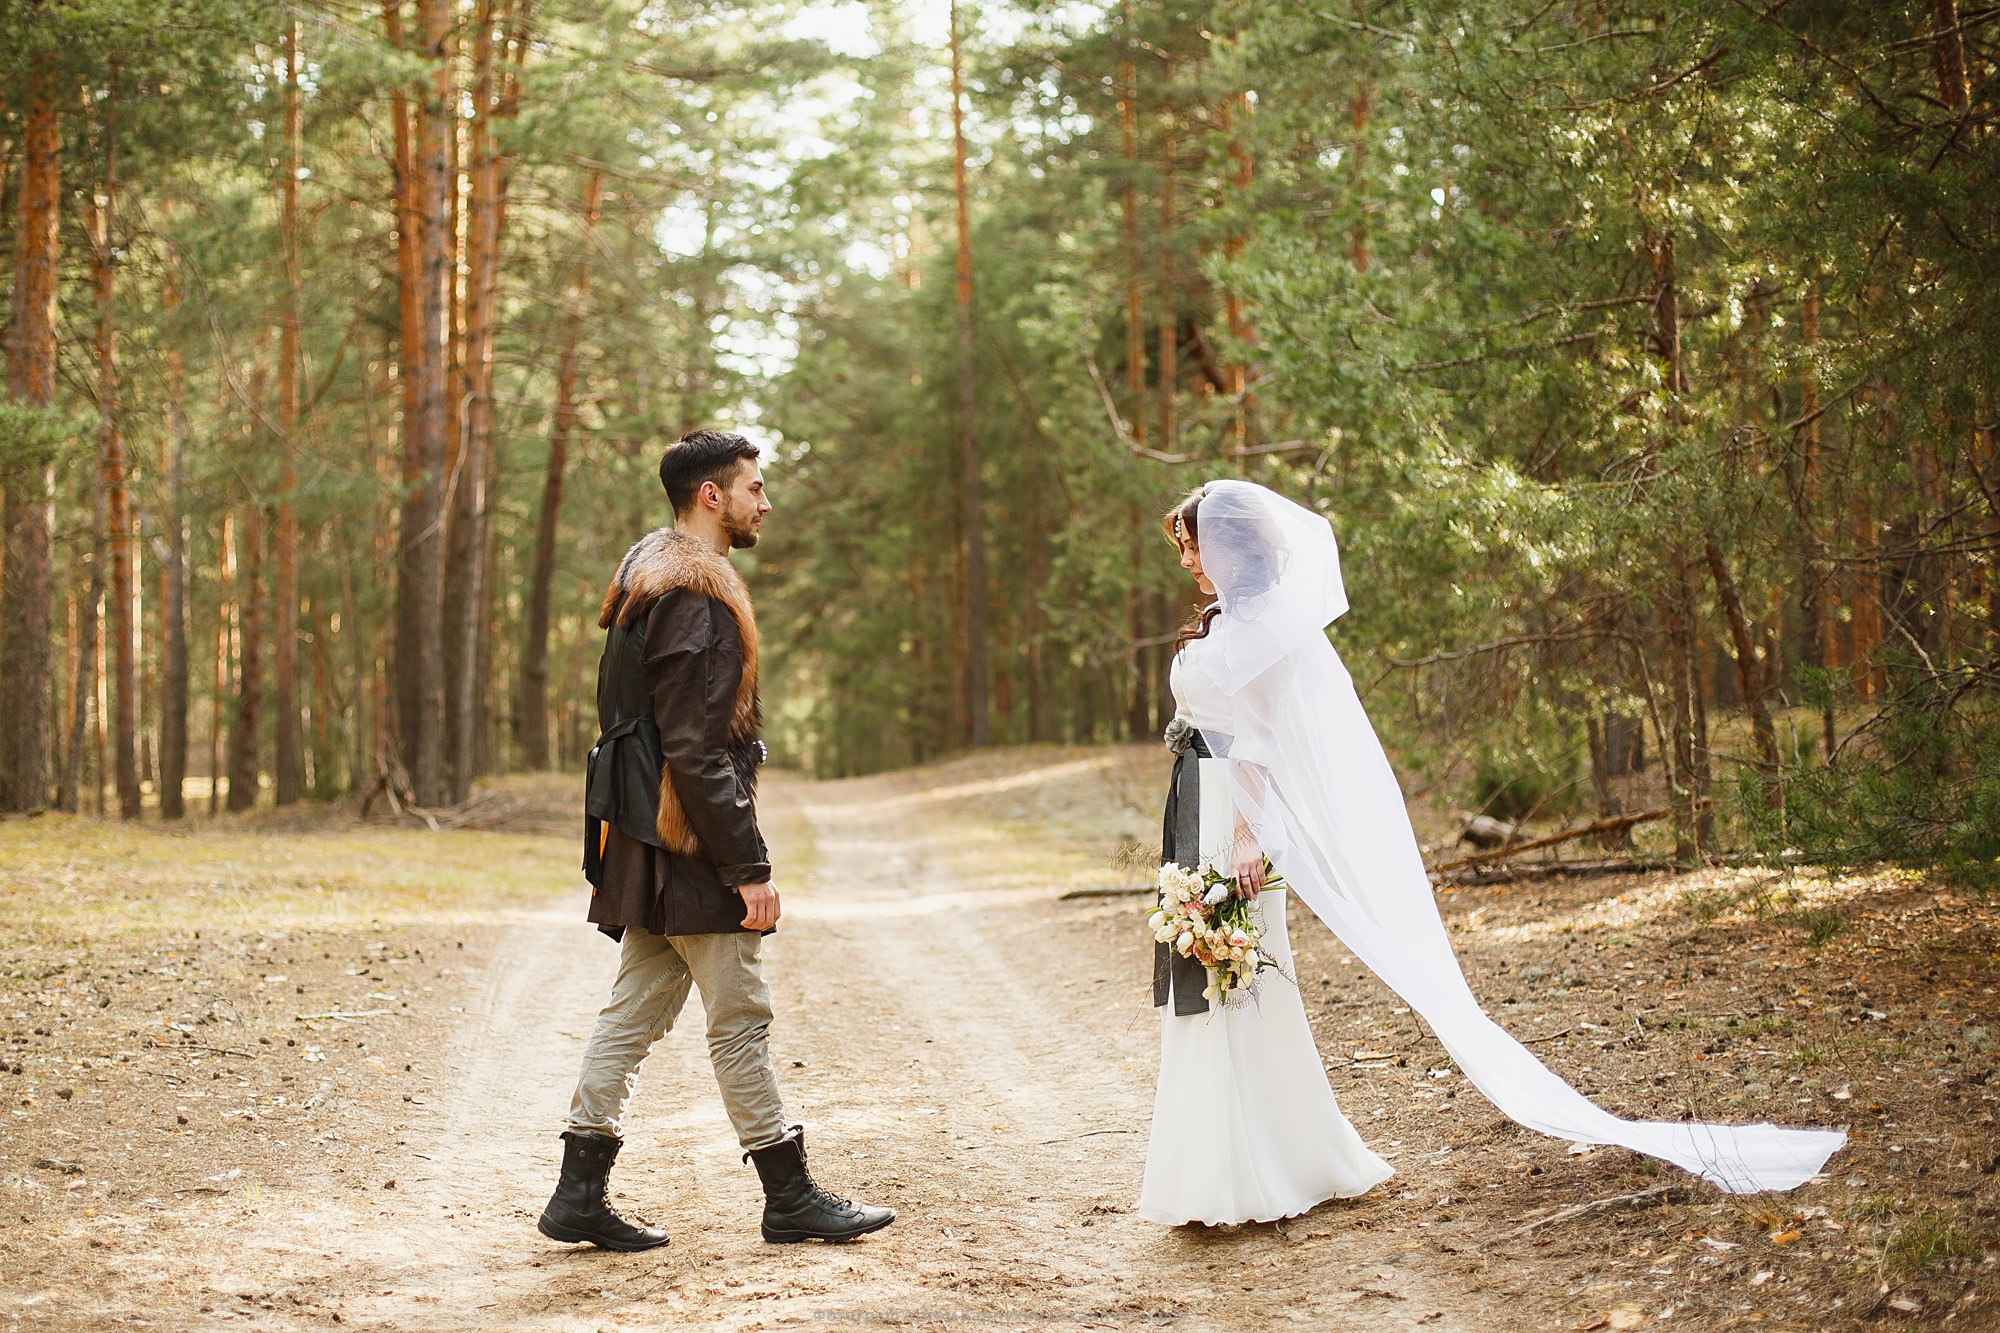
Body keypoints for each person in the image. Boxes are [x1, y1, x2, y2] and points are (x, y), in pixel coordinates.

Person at [1139, 480, 1845, 1224]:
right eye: (1184, 545)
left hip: (1240, 820)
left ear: (1226, 544)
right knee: (1206, 981)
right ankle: (1214, 1161)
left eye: (1191, 542)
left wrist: (1250, 834)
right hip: (1196, 806)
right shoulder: (1219, 622)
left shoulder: (1270, 627)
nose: (1185, 557)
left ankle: (1271, 1164)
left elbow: (1263, 737)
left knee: (1246, 982)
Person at [538, 429, 894, 1250]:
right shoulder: (695, 600)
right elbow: (695, 749)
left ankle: (576, 1193)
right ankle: (789, 1193)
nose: (764, 502)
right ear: (711, 495)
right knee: (739, 1018)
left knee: (629, 1017)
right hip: (688, 843)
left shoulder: (643, 588)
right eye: (754, 488)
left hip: (646, 838)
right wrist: (748, 866)